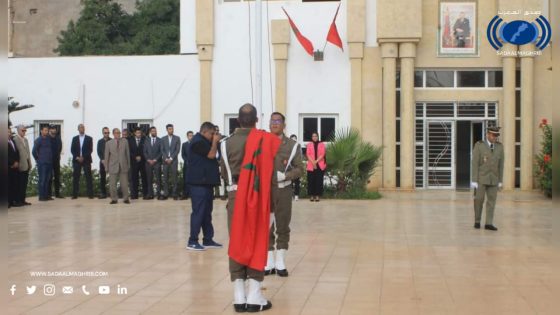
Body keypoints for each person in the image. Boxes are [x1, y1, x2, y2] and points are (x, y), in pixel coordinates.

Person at [220, 104, 279, 312]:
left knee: (237, 241)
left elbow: (224, 173)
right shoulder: (265, 140)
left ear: (237, 120)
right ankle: (254, 295)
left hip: (235, 195)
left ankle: (238, 295)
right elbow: (271, 174)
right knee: (258, 241)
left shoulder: (225, 144)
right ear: (256, 120)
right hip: (260, 196)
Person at [265, 113, 303, 277]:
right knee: (266, 226)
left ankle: (280, 261)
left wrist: (286, 176)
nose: (274, 124)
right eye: (272, 121)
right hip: (266, 191)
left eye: (278, 121)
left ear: (284, 125)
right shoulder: (262, 142)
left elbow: (300, 169)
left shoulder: (292, 145)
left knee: (282, 225)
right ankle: (269, 260)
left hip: (283, 189)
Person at [185, 123, 222, 251]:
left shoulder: (205, 141)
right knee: (199, 212)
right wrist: (215, 142)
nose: (213, 136)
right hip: (198, 184)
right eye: (212, 133)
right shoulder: (197, 142)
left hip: (206, 183)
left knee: (207, 213)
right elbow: (211, 155)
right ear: (204, 131)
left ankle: (208, 239)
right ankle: (192, 241)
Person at [471, 126, 504, 231]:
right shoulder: (479, 145)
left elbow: (501, 164)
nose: (495, 137)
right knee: (479, 200)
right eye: (493, 135)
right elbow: (475, 163)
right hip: (481, 178)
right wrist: (474, 180)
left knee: (491, 201)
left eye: (496, 135)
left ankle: (489, 223)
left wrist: (500, 180)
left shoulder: (500, 147)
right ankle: (477, 220)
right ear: (488, 135)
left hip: (493, 179)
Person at [104, 128, 130, 204]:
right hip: (112, 166)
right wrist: (106, 166)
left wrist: (128, 165)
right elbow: (106, 156)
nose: (118, 134)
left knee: (124, 184)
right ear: (113, 134)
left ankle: (126, 198)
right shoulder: (108, 143)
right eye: (116, 133)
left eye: (119, 133)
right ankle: (114, 199)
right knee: (112, 184)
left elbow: (127, 154)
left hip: (123, 165)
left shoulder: (125, 141)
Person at [70, 124, 94, 199]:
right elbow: (72, 149)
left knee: (88, 177)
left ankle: (90, 195)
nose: (81, 129)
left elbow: (90, 150)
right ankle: (74, 195)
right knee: (76, 178)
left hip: (86, 160)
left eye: (82, 128)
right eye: (80, 128)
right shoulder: (74, 138)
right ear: (78, 129)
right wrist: (77, 157)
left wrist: (83, 157)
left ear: (84, 129)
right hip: (77, 160)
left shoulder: (89, 138)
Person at [32, 125, 53, 202]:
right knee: (42, 180)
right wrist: (38, 160)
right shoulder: (38, 140)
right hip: (42, 163)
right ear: (41, 131)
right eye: (45, 130)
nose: (46, 132)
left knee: (47, 180)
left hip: (49, 163)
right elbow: (34, 151)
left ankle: (46, 195)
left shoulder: (48, 139)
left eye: (47, 130)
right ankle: (41, 196)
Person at [161, 124, 181, 200]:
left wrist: (171, 158)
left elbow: (177, 150)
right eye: (169, 129)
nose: (171, 130)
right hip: (165, 161)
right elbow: (162, 150)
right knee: (165, 177)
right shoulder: (163, 139)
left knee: (174, 177)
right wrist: (166, 158)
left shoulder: (177, 138)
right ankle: (166, 194)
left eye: (172, 129)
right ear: (167, 130)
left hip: (174, 161)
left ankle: (174, 194)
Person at [13, 125, 32, 206]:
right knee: (19, 184)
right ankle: (18, 200)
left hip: (26, 163)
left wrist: (30, 162)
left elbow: (28, 152)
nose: (24, 132)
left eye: (25, 130)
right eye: (23, 130)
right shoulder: (15, 139)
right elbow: (15, 153)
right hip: (20, 164)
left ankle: (23, 199)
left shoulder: (26, 140)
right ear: (18, 131)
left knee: (24, 184)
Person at [306, 132, 326, 202]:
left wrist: (316, 162)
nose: (314, 137)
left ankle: (317, 195)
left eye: (316, 136)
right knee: (311, 181)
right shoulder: (309, 145)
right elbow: (308, 154)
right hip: (311, 165)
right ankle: (311, 195)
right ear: (312, 137)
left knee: (318, 181)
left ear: (318, 137)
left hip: (319, 165)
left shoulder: (322, 144)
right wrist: (313, 162)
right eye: (313, 136)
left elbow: (322, 154)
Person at [144, 126, 162, 200]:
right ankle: (150, 194)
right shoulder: (146, 140)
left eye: (155, 131)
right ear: (150, 132)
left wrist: (155, 160)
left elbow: (161, 152)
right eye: (153, 131)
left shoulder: (160, 140)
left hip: (157, 162)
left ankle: (158, 194)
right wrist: (148, 159)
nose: (154, 132)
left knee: (158, 179)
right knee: (149, 179)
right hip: (148, 163)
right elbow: (144, 151)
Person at [129, 128, 148, 200]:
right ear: (134, 133)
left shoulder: (145, 139)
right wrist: (135, 157)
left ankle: (145, 195)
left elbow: (146, 150)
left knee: (144, 179)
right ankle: (134, 195)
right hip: (134, 162)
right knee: (134, 179)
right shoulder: (130, 140)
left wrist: (141, 156)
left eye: (140, 133)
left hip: (143, 162)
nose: (138, 134)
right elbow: (129, 151)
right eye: (137, 133)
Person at [48, 125, 63, 199]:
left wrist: (58, 154)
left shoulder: (58, 138)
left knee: (57, 177)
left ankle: (57, 194)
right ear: (49, 130)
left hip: (57, 160)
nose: (54, 130)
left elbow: (60, 147)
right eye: (52, 129)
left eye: (55, 129)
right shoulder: (47, 138)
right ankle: (49, 194)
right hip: (49, 160)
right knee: (49, 177)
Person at [97, 127, 111, 199]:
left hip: (111, 162)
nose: (107, 134)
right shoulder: (100, 141)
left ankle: (112, 193)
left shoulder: (112, 140)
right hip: (102, 162)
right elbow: (98, 151)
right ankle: (103, 193)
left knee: (112, 178)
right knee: (102, 178)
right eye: (105, 133)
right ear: (103, 133)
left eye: (108, 132)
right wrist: (102, 159)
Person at [8, 127, 21, 208]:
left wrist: (17, 161)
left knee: (14, 184)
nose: (9, 133)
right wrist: (12, 163)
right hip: (8, 166)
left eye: (9, 132)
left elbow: (17, 152)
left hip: (15, 166)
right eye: (7, 132)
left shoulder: (12, 141)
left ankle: (12, 201)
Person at [181, 131, 194, 200]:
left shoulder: (195, 144)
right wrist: (186, 161)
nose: (191, 137)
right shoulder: (184, 144)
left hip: (193, 165)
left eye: (192, 135)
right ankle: (185, 194)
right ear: (187, 136)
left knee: (193, 180)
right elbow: (183, 154)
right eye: (189, 135)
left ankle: (192, 194)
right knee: (186, 180)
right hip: (186, 165)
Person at [289, 134, 301, 201]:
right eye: (292, 139)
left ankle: (296, 195)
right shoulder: (287, 147)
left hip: (297, 166)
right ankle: (290, 195)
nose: (293, 140)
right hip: (289, 166)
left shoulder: (298, 147)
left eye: (294, 139)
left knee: (297, 181)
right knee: (289, 182)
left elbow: (300, 156)